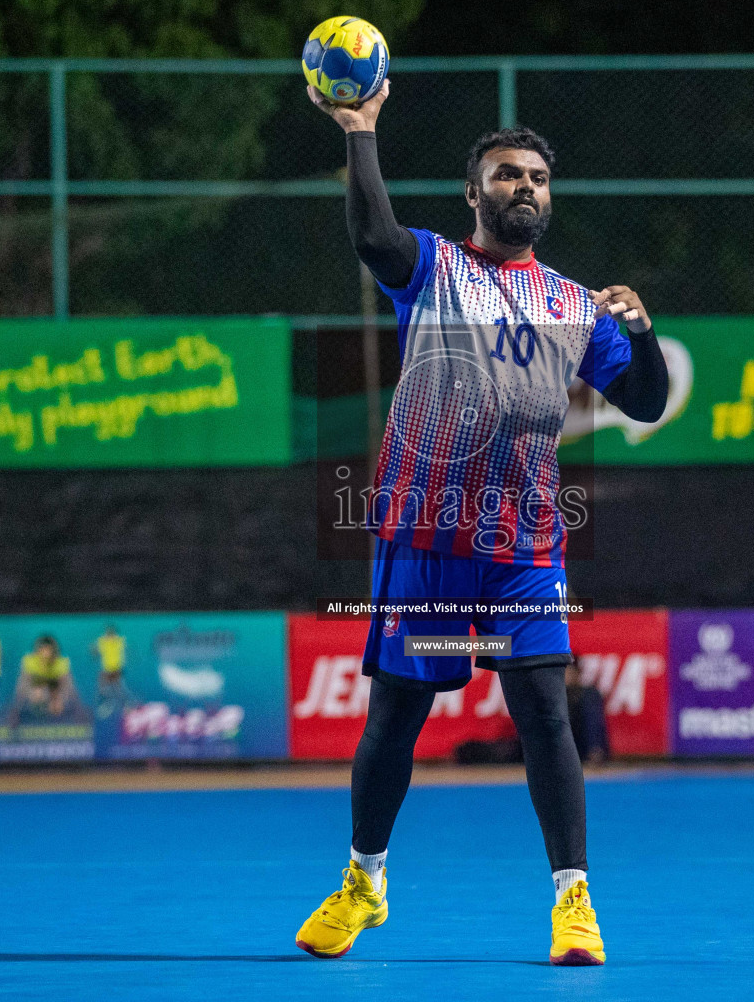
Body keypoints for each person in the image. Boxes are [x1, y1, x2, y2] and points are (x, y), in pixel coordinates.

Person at [295, 79, 668, 965]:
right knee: (396, 715)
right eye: (506, 176)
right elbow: (370, 237)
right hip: (423, 531)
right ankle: (364, 882)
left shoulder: (576, 306)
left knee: (543, 709)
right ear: (475, 194)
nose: (524, 188)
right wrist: (361, 132)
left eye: (536, 177)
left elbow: (646, 403)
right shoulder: (431, 267)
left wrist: (645, 333)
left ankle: (574, 902)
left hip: (523, 541)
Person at [6, 634, 91, 728]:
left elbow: (70, 689)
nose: (45, 654)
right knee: (37, 695)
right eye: (42, 650)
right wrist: (15, 711)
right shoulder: (29, 662)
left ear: (55, 651)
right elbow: (21, 687)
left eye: (48, 650)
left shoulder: (61, 663)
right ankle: (35, 709)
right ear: (37, 651)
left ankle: (55, 708)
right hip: (36, 687)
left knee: (57, 708)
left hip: (55, 688)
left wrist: (78, 710)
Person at [565, 660, 610, 765]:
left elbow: (593, 723)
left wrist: (595, 749)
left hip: (581, 751)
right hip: (555, 753)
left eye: (568, 671)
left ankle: (595, 752)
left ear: (577, 672)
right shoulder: (550, 696)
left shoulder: (588, 694)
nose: (565, 676)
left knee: (589, 698)